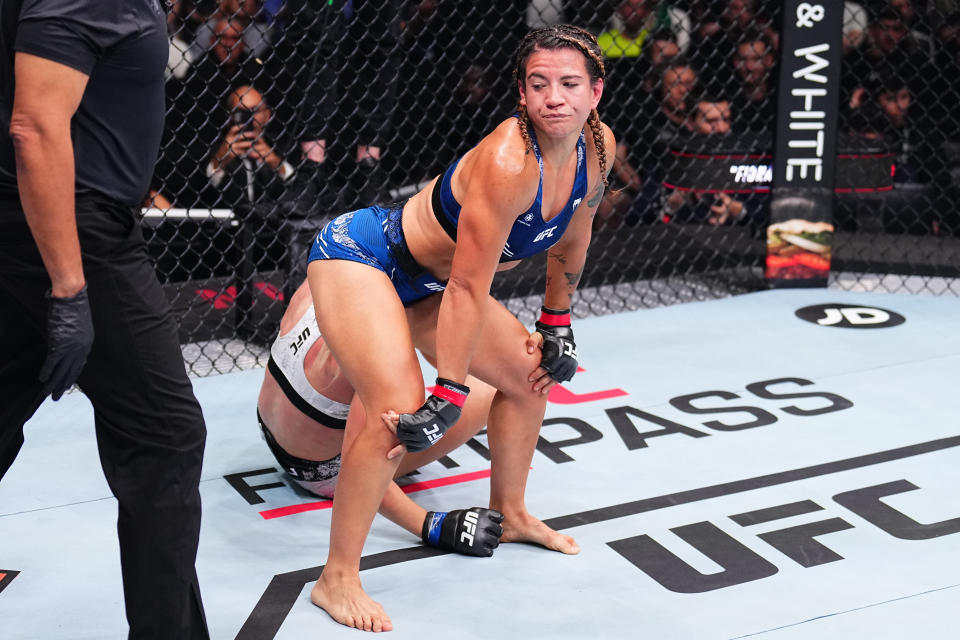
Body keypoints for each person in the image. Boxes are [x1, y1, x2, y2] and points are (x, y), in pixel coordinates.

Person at [304, 24, 615, 631]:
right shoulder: (508, 162)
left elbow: (575, 235)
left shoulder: (597, 148)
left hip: (432, 283)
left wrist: (557, 324)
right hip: (368, 257)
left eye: (570, 84)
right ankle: (336, 577)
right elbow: (470, 286)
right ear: (521, 94)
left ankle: (514, 510)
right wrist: (448, 391)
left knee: (530, 375)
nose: (555, 97)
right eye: (539, 83)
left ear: (595, 92)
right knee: (399, 406)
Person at [0, 1, 209, 638]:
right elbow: (34, 123)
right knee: (165, 437)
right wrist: (68, 289)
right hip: (75, 230)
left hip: (31, 216)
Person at [258, 281, 503, 553]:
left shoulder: (329, 265)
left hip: (271, 424)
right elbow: (361, 459)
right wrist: (431, 525)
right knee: (493, 386)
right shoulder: (378, 341)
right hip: (324, 474)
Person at [203, 85, 295, 208]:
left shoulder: (283, 145)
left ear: (268, 115)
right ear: (229, 117)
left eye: (254, 111)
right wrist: (220, 161)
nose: (249, 118)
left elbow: (300, 186)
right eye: (240, 111)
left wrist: (276, 163)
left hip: (275, 220)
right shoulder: (213, 148)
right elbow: (201, 188)